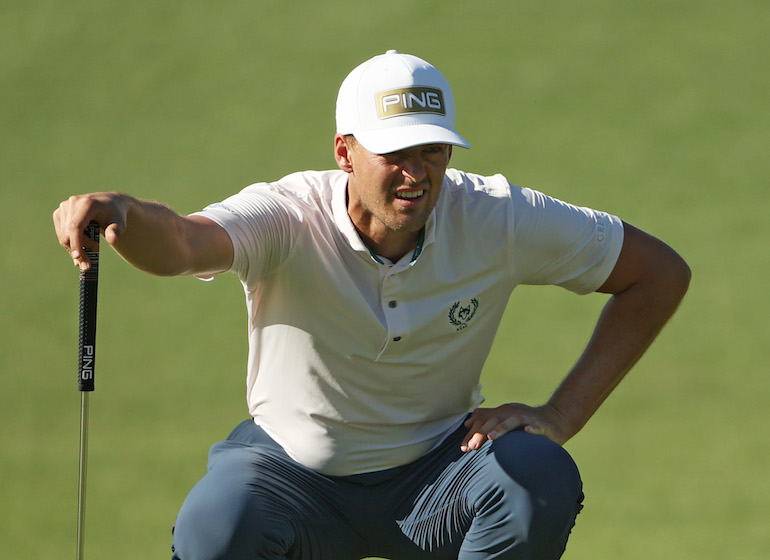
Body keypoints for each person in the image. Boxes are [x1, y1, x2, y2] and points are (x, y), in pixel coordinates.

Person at [53, 50, 690, 560]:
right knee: (217, 524)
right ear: (344, 152)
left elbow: (658, 273)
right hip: (292, 477)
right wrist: (125, 214)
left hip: (439, 475)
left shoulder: (498, 216)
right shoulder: (287, 216)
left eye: (433, 150)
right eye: (395, 153)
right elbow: (186, 244)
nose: (417, 173)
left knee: (537, 476)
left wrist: (561, 413)